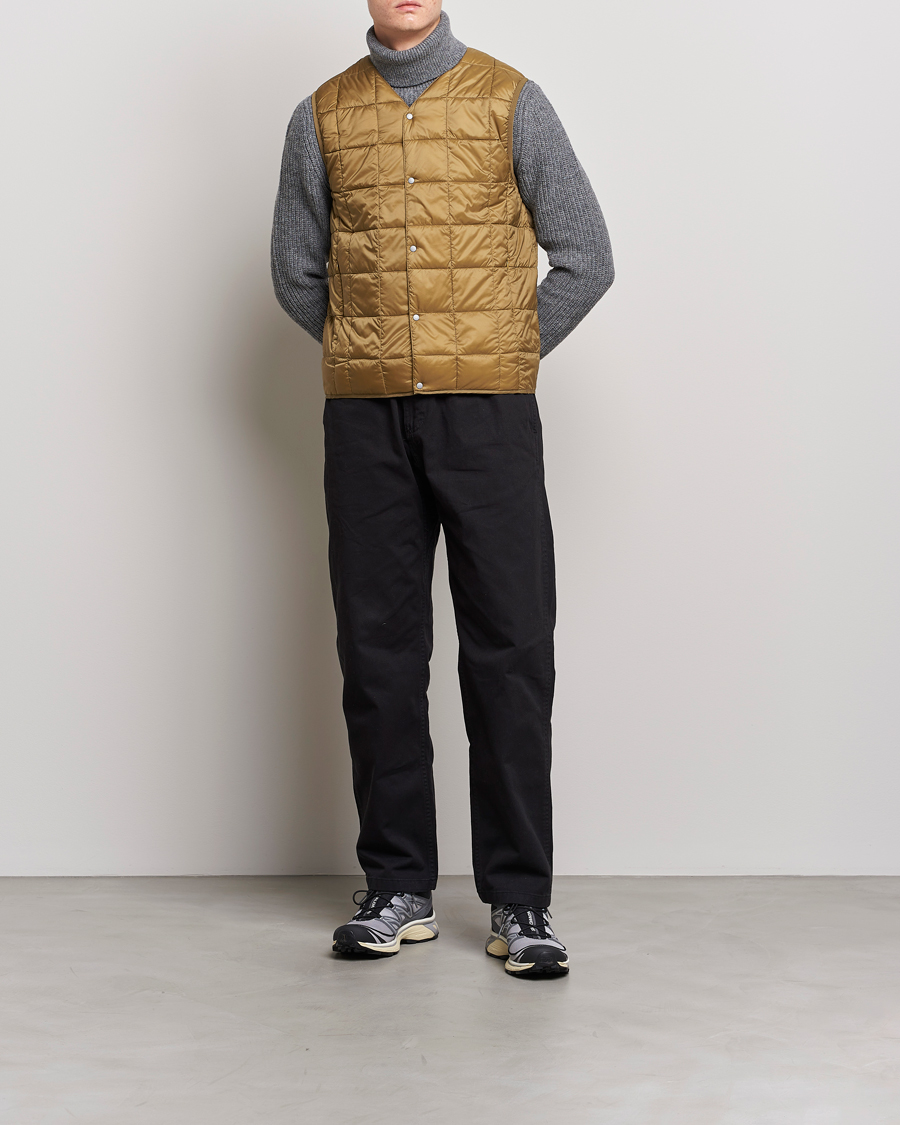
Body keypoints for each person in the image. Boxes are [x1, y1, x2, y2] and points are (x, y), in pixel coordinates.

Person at [271, 0, 613, 978]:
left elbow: (587, 257)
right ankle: (397, 887)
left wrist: (500, 350)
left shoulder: (512, 100)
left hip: (489, 417)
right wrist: (371, 349)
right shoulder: (321, 115)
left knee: (511, 650)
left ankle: (520, 900)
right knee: (378, 652)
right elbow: (295, 271)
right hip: (365, 421)